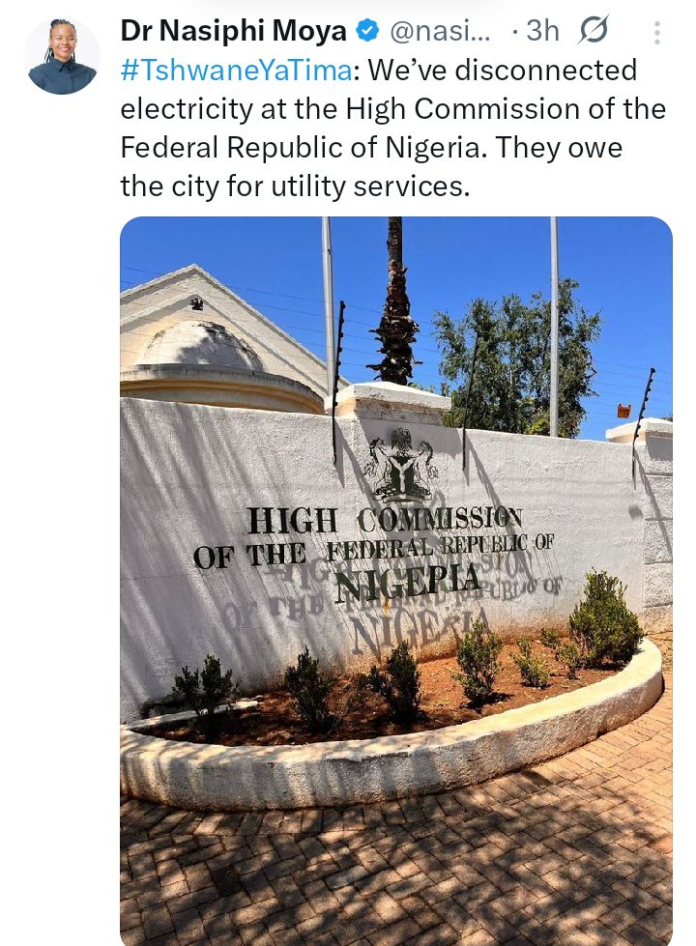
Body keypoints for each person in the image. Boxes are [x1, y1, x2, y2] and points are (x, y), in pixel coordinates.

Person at [29, 19, 96, 94]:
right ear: (50, 42)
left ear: (75, 42)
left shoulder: (90, 75)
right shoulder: (36, 75)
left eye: (70, 38)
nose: (65, 42)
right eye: (59, 38)